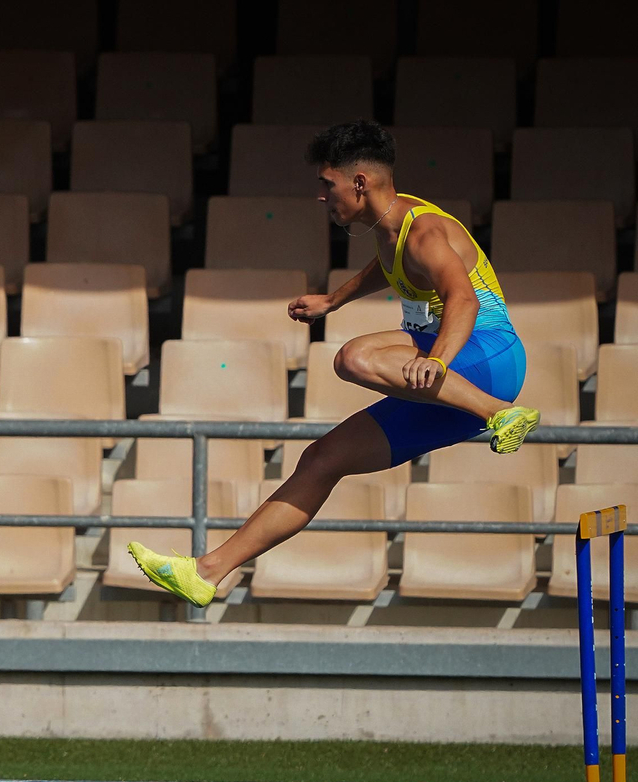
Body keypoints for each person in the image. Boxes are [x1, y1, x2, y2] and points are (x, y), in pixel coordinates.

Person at [128, 120, 538, 607]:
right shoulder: (391, 231)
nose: (322, 197)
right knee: (322, 459)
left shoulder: (423, 231)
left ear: (359, 183)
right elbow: (388, 265)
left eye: (328, 184)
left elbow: (463, 301)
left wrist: (441, 362)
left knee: (355, 357)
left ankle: (497, 414)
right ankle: (207, 572)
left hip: (489, 356)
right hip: (448, 372)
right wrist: (334, 300)